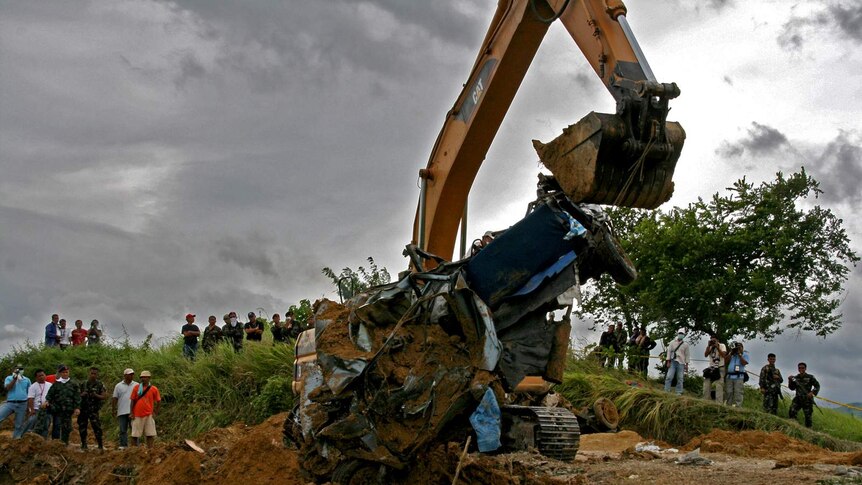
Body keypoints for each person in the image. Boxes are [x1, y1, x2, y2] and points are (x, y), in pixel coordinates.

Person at [43, 364, 80, 445]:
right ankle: (55, 443)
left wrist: (77, 408)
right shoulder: (56, 384)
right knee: (57, 425)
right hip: (57, 409)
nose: (65, 374)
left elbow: (77, 397)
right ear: (60, 373)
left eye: (66, 372)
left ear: (69, 372)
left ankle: (65, 443)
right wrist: (47, 401)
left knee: (67, 427)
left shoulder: (74, 384)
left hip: (68, 409)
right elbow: (50, 395)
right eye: (63, 372)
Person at [130, 370, 161, 448]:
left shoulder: (154, 389)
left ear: (149, 378)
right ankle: (134, 450)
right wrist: (131, 412)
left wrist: (156, 412)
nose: (143, 379)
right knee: (135, 435)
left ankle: (150, 450)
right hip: (137, 414)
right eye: (142, 377)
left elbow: (159, 401)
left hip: (149, 414)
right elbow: (132, 400)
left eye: (145, 377)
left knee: (150, 434)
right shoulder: (136, 388)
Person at [78, 367, 107, 450]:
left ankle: (100, 445)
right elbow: (77, 395)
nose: (93, 375)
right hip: (83, 409)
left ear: (97, 375)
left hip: (94, 410)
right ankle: (83, 444)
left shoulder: (100, 384)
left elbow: (104, 396)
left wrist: (96, 395)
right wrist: (82, 394)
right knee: (82, 427)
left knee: (97, 427)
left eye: (95, 374)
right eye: (92, 373)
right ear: (89, 373)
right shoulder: (83, 384)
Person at [1, 364, 32, 439]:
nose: (19, 370)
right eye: (17, 369)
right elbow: (8, 388)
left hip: (22, 404)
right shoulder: (9, 378)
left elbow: (30, 393)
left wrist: (29, 406)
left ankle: (16, 439)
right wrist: (14, 379)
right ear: (13, 370)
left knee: (19, 424)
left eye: (21, 369)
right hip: (10, 403)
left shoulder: (27, 380)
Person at [788, 362, 820, 428]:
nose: (801, 369)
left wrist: (812, 392)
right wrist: (790, 381)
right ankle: (793, 426)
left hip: (807, 400)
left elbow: (817, 386)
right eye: (799, 368)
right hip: (798, 399)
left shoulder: (810, 377)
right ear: (798, 369)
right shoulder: (795, 378)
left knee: (808, 417)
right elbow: (792, 388)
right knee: (792, 411)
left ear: (805, 369)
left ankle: (808, 431)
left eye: (803, 368)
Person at [112, 369, 137, 449]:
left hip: (133, 411)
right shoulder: (118, 386)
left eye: (132, 374)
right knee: (123, 430)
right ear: (125, 375)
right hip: (122, 411)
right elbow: (115, 398)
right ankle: (123, 445)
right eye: (129, 374)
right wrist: (113, 409)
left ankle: (135, 446)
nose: (131, 376)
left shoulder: (137, 385)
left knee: (134, 429)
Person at [25, 369, 52, 437]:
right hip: (36, 409)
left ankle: (43, 440)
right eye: (39, 376)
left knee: (46, 425)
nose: (42, 377)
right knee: (31, 423)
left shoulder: (50, 385)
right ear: (36, 378)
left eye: (43, 375)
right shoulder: (33, 386)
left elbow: (52, 396)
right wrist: (32, 410)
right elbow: (30, 398)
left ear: (45, 375)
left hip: (47, 409)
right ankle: (25, 437)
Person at [663, 329, 690, 395]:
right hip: (673, 361)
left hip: (681, 362)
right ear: (678, 334)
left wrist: (686, 364)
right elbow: (668, 352)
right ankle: (666, 390)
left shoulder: (686, 345)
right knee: (669, 376)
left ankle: (679, 391)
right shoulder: (672, 342)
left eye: (682, 334)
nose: (681, 335)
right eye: (680, 333)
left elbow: (687, 354)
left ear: (684, 335)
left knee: (680, 378)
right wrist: (668, 361)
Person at [702, 333, 727, 403]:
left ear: (717, 340)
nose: (713, 342)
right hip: (711, 368)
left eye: (714, 341)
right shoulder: (710, 347)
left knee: (719, 386)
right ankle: (705, 401)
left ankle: (719, 403)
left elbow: (724, 355)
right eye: (711, 340)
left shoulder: (722, 345)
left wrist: (717, 347)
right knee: (706, 384)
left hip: (720, 367)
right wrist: (709, 346)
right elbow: (705, 355)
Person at [724, 341, 749, 407]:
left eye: (739, 347)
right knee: (729, 392)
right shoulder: (732, 355)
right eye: (737, 347)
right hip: (729, 376)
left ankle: (738, 407)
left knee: (738, 393)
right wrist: (730, 353)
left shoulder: (745, 354)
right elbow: (725, 361)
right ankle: (728, 406)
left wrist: (740, 354)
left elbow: (744, 363)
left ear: (742, 348)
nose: (738, 349)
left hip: (739, 377)